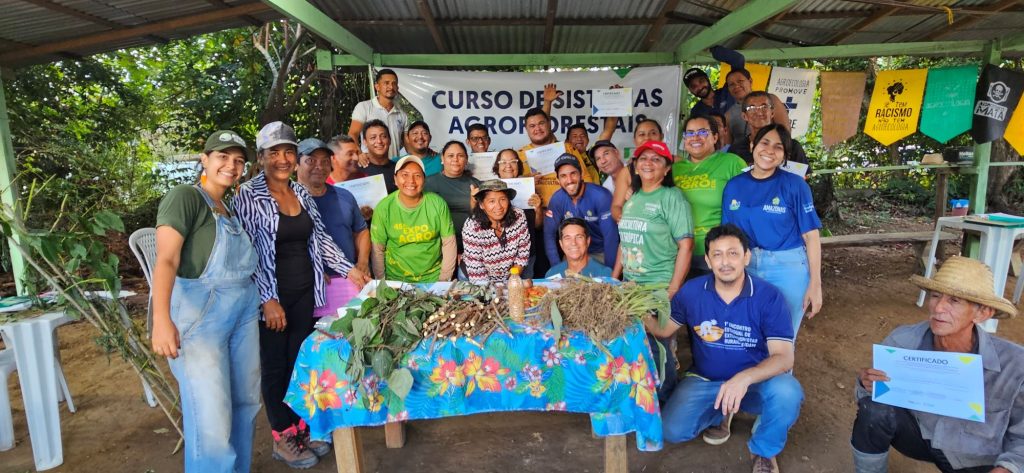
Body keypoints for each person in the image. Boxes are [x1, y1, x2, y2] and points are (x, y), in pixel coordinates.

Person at [235, 122, 369, 469]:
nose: (282, 159)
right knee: (276, 366)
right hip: (273, 296)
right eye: (274, 152)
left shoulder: (301, 193)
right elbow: (250, 252)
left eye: (288, 151)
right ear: (261, 156)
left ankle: (301, 427)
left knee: (300, 359)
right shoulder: (248, 195)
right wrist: (267, 298)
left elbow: (320, 240)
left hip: (305, 292)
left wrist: (349, 268)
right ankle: (282, 436)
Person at [645, 224, 803, 473]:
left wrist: (743, 379)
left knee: (787, 391)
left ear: (746, 257)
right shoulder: (692, 292)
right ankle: (722, 411)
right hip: (706, 380)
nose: (725, 262)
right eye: (717, 254)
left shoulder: (768, 297)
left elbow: (784, 358)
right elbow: (665, 330)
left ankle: (763, 451)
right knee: (671, 430)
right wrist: (636, 315)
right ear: (708, 260)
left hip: (752, 384)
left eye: (733, 253)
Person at [151, 130, 260, 473]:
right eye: (222, 157)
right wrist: (162, 320)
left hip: (242, 308)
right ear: (205, 159)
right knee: (211, 414)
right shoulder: (185, 197)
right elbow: (166, 260)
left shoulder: (228, 206)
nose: (231, 166)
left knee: (245, 403)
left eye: (238, 161)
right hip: (201, 315)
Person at [852, 256, 1022, 473]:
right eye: (935, 296)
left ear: (982, 313)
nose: (939, 307)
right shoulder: (901, 342)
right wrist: (866, 383)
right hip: (920, 436)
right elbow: (872, 396)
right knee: (873, 411)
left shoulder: (1014, 364)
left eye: (955, 300)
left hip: (976, 458)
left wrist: (1008, 468)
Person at [721, 124, 822, 338]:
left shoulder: (795, 185)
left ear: (784, 155)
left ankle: (780, 373)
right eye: (764, 143)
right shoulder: (733, 186)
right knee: (747, 335)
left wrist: (815, 284)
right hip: (746, 268)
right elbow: (728, 236)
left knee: (782, 337)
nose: (769, 150)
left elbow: (811, 236)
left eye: (778, 147)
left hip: (787, 269)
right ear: (752, 145)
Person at [615, 140, 694, 399]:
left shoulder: (672, 198)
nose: (648, 163)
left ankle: (665, 402)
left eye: (656, 159)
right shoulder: (633, 197)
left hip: (658, 288)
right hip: (631, 287)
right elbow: (624, 241)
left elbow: (686, 244)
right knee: (639, 347)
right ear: (635, 167)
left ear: (667, 168)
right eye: (643, 158)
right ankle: (644, 400)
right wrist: (615, 278)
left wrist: (672, 289)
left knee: (660, 350)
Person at [296, 138, 370, 314]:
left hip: (349, 280)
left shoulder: (345, 195)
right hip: (311, 285)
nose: (319, 166)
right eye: (311, 161)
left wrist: (362, 262)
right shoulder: (288, 201)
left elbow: (361, 231)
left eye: (324, 161)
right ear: (295, 165)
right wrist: (312, 269)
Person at [674, 115, 746, 278]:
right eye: (689, 133)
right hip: (678, 253)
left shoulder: (732, 163)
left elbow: (749, 204)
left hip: (717, 253)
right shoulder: (674, 169)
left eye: (702, 132)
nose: (695, 138)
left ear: (715, 137)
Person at [370, 155, 457, 282]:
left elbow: (449, 243)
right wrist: (382, 282)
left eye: (417, 175)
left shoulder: (437, 204)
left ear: (424, 180)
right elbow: (377, 249)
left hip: (433, 278)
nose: (411, 181)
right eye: (404, 175)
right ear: (395, 179)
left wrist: (443, 281)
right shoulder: (384, 207)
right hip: (396, 279)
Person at [543, 153, 618, 269]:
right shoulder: (557, 199)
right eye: (563, 176)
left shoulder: (601, 196)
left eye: (573, 174)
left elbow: (611, 237)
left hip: (600, 253)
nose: (569, 180)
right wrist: (556, 268)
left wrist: (609, 272)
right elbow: (549, 234)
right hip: (573, 253)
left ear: (581, 174)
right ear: (558, 179)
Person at [461, 180, 532, 283]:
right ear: (481, 204)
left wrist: (511, 281)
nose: (498, 206)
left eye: (503, 199)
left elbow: (523, 253)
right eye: (491, 201)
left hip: (509, 276)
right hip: (475, 278)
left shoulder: (519, 216)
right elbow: (477, 270)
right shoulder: (472, 227)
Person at [492, 148, 547, 278]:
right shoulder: (490, 190)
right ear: (497, 167)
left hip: (526, 254)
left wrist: (538, 208)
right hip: (497, 257)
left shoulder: (529, 189)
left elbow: (537, 226)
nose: (508, 166)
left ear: (519, 166)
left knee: (524, 292)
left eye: (513, 161)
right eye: (503, 162)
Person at [516, 107, 600, 184]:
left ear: (549, 124)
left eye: (541, 123)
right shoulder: (518, 156)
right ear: (526, 129)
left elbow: (586, 180)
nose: (537, 128)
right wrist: (525, 181)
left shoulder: (568, 148)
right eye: (532, 126)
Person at [425, 141, 480, 254]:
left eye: (460, 156)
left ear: (466, 160)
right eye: (450, 156)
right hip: (437, 246)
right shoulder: (428, 183)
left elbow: (482, 218)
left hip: (470, 247)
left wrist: (473, 203)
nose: (455, 159)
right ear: (442, 158)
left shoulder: (476, 185)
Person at [732, 91, 809, 168]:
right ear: (744, 116)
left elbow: (802, 179)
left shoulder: (792, 146)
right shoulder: (736, 150)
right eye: (752, 108)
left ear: (772, 113)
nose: (759, 112)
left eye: (764, 107)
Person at [610, 117, 666, 221]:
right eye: (641, 134)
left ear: (661, 137)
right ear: (635, 140)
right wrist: (624, 220)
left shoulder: (676, 162)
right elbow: (616, 207)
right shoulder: (627, 171)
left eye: (653, 133)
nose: (647, 138)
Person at [348, 68, 407, 158]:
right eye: (386, 83)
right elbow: (352, 134)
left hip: (393, 166)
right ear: (377, 87)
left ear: (397, 88)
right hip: (370, 166)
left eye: (394, 83)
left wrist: (427, 152)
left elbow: (408, 143)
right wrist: (359, 154)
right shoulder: (364, 107)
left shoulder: (402, 114)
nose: (391, 87)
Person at [724, 68, 791, 142]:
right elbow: (728, 146)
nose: (736, 86)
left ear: (750, 81)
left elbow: (785, 131)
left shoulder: (770, 100)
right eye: (731, 84)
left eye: (740, 81)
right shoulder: (728, 115)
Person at [684, 45, 746, 118]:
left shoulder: (728, 91)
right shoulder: (696, 112)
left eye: (701, 81)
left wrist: (713, 49)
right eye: (694, 86)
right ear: (690, 91)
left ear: (707, 79)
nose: (700, 87)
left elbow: (738, 60)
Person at [544, 218, 612, 278]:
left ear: (587, 241)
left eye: (579, 237)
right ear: (561, 244)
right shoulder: (551, 275)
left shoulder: (605, 274)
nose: (573, 243)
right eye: (567, 238)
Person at [589, 140, 630, 221]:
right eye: (598, 158)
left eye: (606, 154)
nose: (603, 161)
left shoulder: (636, 172)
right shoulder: (606, 188)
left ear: (617, 153)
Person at [360, 119, 398, 193]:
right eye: (373, 138)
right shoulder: (357, 169)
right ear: (365, 142)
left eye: (383, 136)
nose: (379, 141)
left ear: (389, 140)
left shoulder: (399, 169)